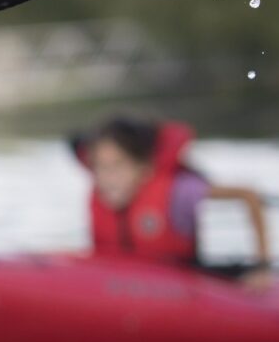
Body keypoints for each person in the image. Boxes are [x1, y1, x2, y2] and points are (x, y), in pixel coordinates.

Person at [71, 115, 268, 270]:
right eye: (100, 167)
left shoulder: (180, 192)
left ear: (144, 167)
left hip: (184, 292)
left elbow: (248, 196)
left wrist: (262, 267)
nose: (108, 178)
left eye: (118, 165)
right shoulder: (97, 196)